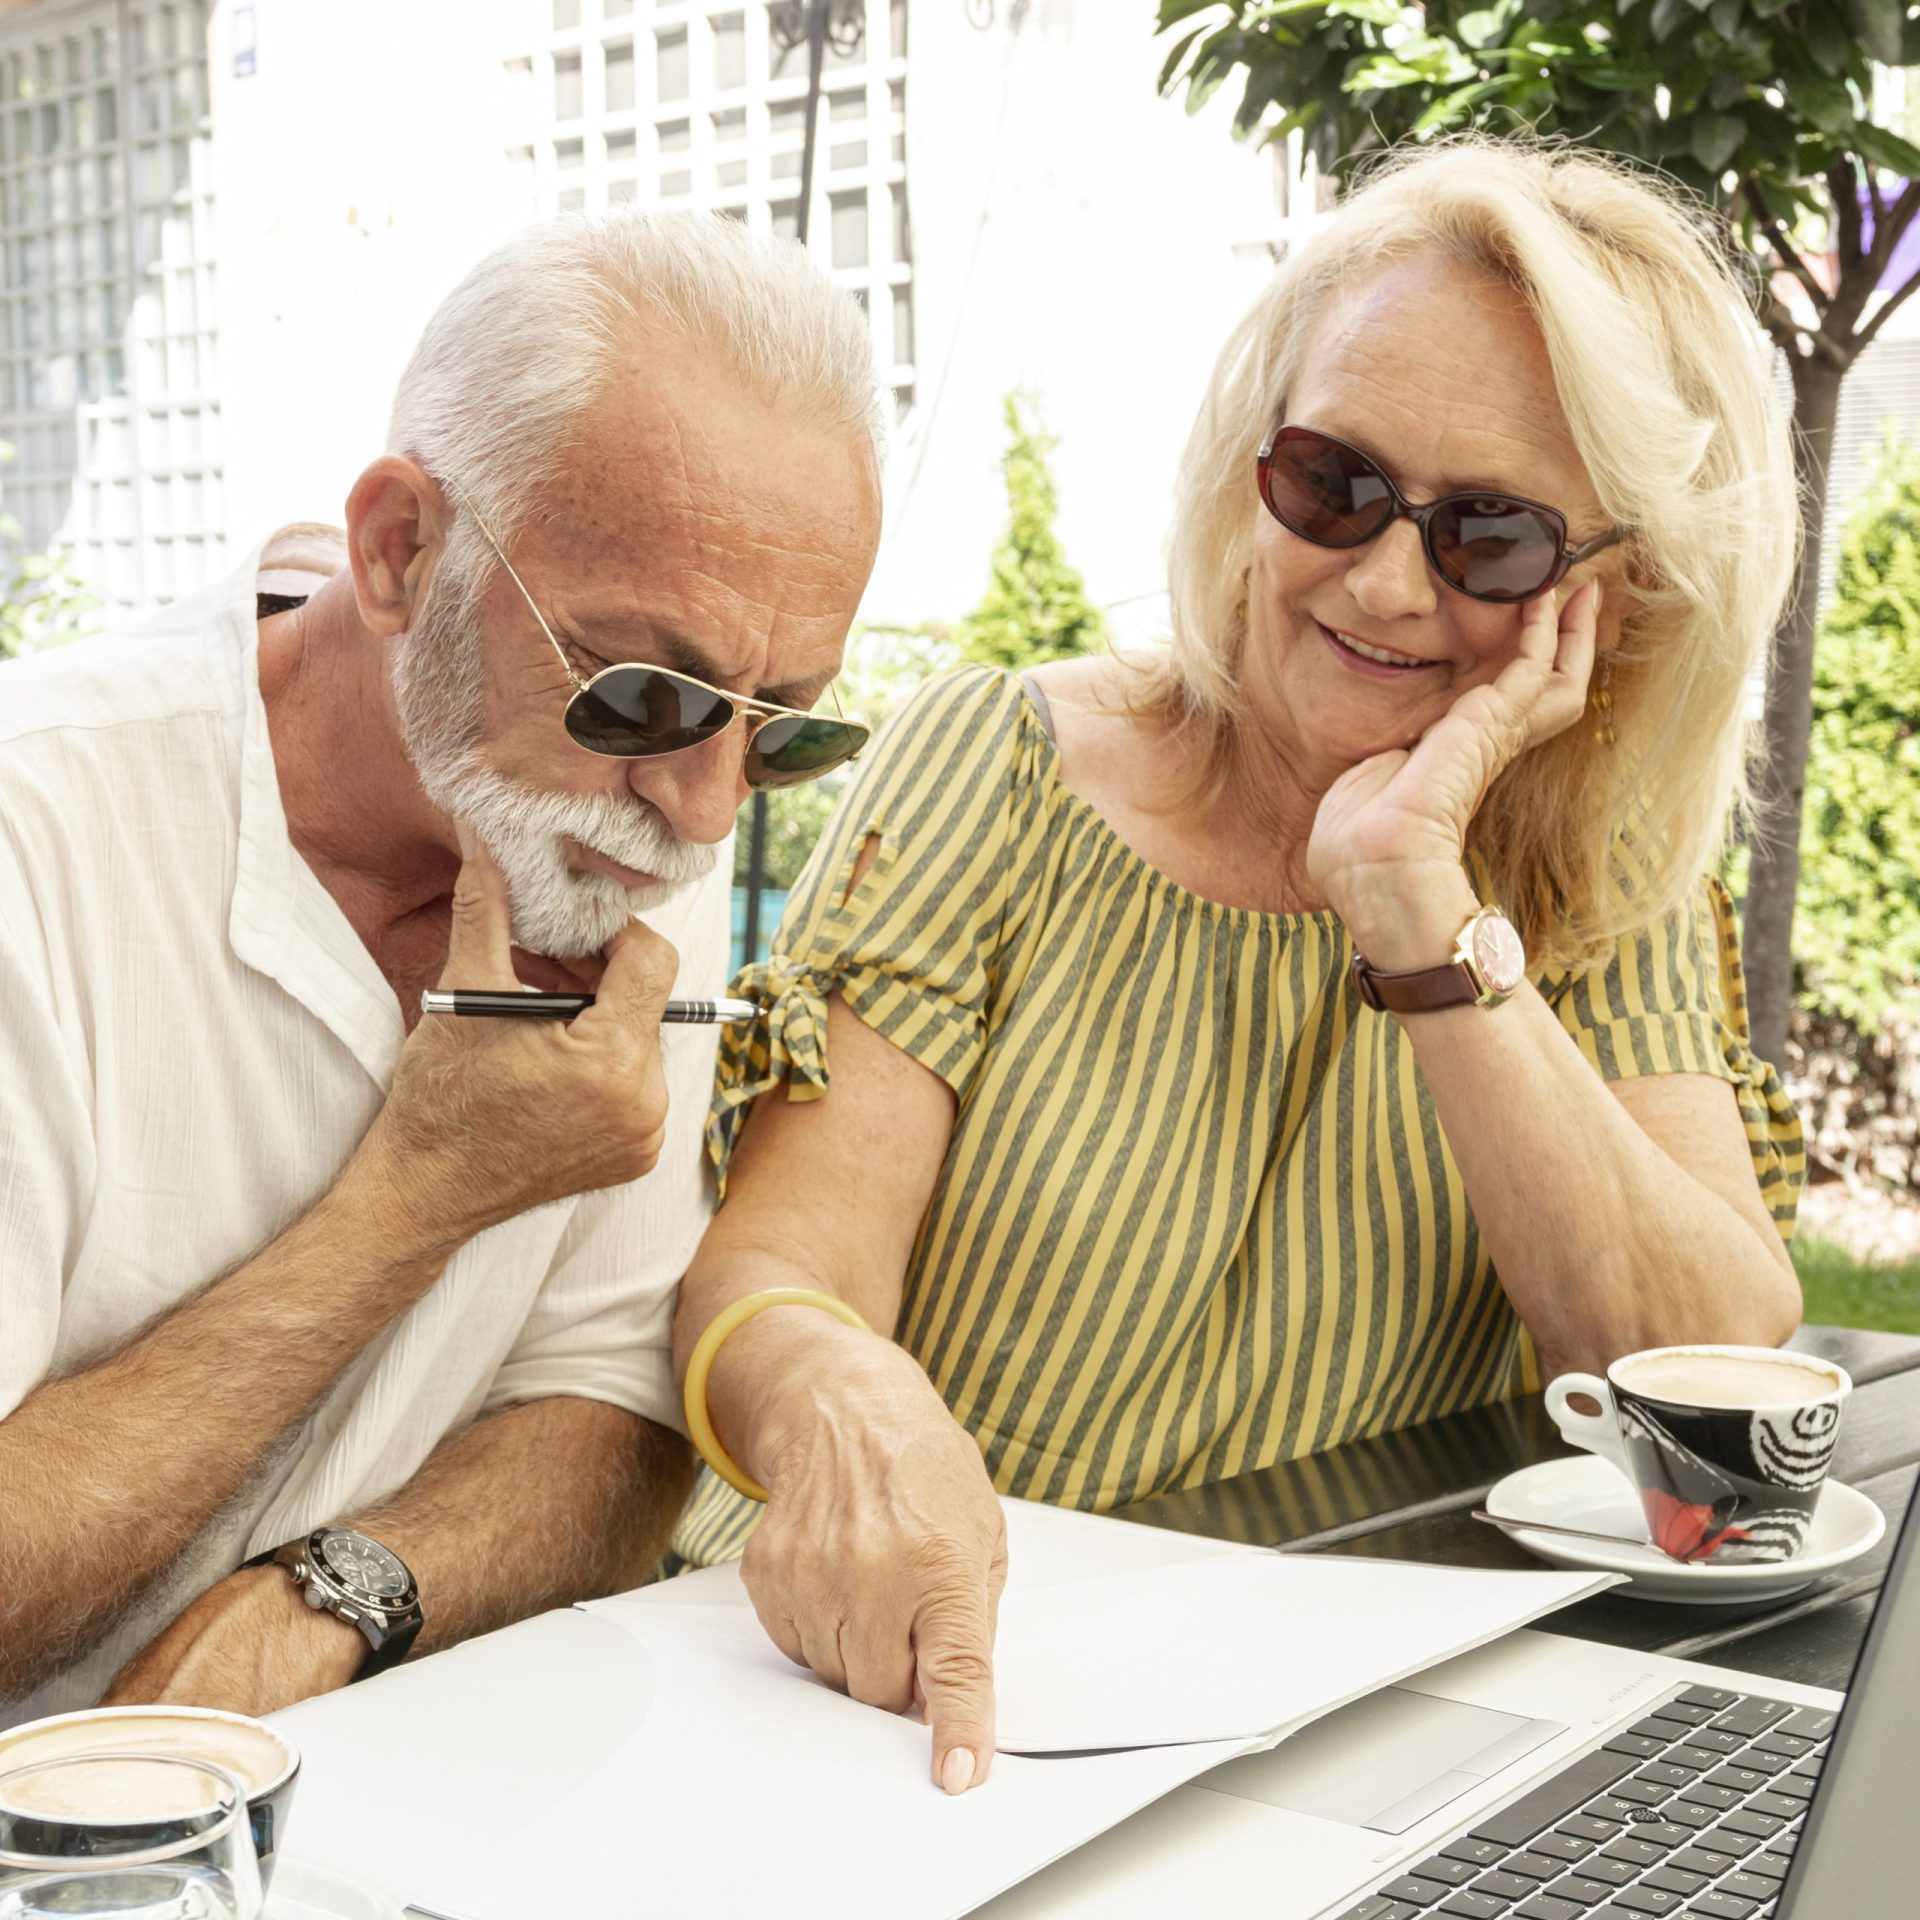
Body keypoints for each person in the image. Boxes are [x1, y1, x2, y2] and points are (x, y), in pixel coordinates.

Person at [667, 138, 1807, 1795]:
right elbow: (777, 1277)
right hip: (890, 1700)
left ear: (1609, 602)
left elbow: (1695, 1382)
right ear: (1246, 466)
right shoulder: (995, 769)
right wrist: (832, 1389)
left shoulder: (1585, 876)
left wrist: (1418, 907)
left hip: (1320, 1734)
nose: (1383, 580)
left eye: (1487, 537)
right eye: (1333, 481)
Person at [0, 208, 883, 1727]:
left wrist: (332, 1599)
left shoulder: (606, 824)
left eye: (786, 725)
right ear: (400, 548)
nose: (705, 810)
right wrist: (421, 1196)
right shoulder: (43, 831)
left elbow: (614, 1405)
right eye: (637, 692)